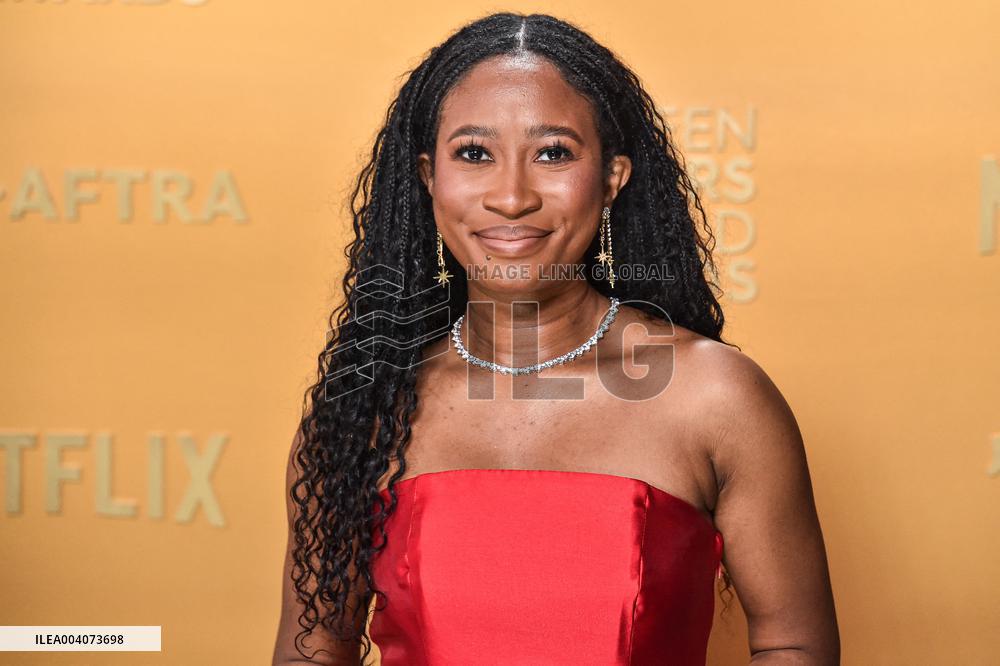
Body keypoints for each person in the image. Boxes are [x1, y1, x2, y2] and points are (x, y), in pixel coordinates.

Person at [272, 11, 839, 666]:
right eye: (474, 154)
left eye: (553, 153)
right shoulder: (364, 407)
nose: (511, 197)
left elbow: (793, 646)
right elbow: (311, 654)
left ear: (613, 178)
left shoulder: (716, 398)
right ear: (430, 176)